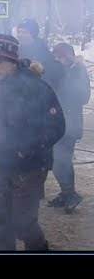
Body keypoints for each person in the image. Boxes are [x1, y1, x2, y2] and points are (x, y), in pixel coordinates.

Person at [0, 33, 65, 251]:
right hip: (2, 163)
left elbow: (56, 127)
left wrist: (25, 149)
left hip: (31, 165)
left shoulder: (37, 87)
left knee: (23, 223)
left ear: (12, 61)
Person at [47, 43, 91, 214]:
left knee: (61, 161)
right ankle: (66, 193)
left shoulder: (78, 70)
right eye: (56, 57)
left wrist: (67, 86)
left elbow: (85, 96)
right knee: (59, 161)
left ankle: (70, 194)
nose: (58, 60)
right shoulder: (59, 70)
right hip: (58, 121)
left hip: (70, 123)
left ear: (69, 55)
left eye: (61, 56)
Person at [16, 18, 63, 91]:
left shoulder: (44, 53)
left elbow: (52, 79)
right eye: (18, 32)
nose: (20, 35)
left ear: (33, 34)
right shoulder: (16, 52)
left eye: (24, 32)